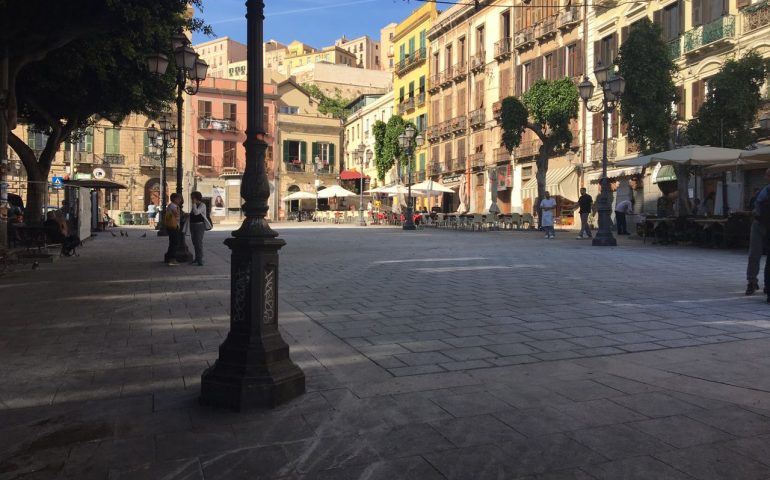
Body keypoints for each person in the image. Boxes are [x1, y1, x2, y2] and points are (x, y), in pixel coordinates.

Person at [746, 168, 770, 295]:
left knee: (754, 254)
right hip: (765, 225)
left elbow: (756, 209)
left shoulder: (763, 191)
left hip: (759, 224)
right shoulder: (763, 190)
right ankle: (766, 285)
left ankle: (752, 282)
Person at [188, 191, 208, 266]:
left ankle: (200, 259)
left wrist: (193, 204)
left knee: (198, 242)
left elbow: (196, 212)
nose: (192, 199)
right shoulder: (195, 205)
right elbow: (193, 214)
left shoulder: (202, 205)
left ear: (196, 198)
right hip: (192, 225)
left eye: (193, 197)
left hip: (199, 226)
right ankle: (196, 258)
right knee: (194, 242)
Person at [164, 193, 182, 266]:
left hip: (172, 226)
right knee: (174, 243)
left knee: (172, 242)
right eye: (179, 199)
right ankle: (172, 260)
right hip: (173, 226)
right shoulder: (173, 205)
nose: (180, 200)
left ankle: (168, 258)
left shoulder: (172, 205)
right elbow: (176, 214)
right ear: (174, 199)